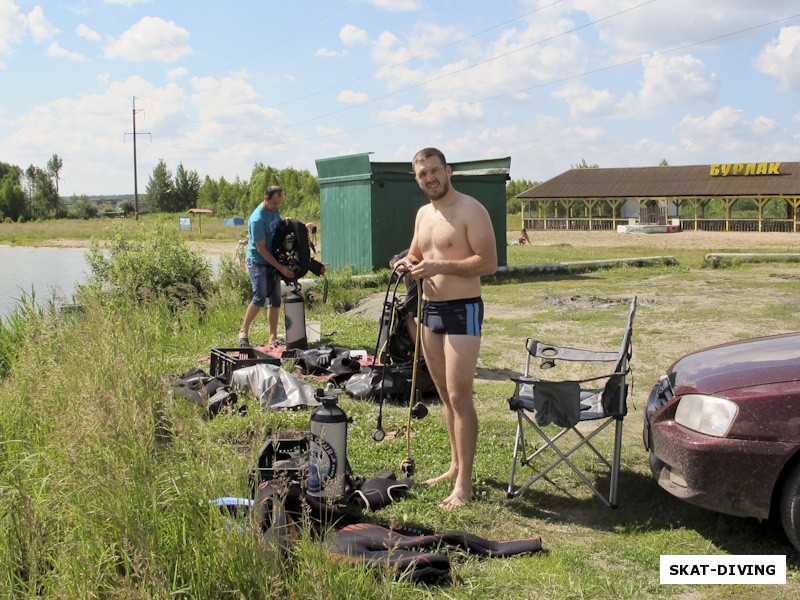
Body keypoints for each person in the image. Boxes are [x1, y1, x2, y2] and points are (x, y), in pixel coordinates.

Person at [398, 147, 497, 509]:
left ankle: (465, 486)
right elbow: (416, 254)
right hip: (430, 310)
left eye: (435, 171)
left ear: (448, 171)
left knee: (460, 396)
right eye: (423, 174)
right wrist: (405, 264)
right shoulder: (423, 214)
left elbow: (488, 263)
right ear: (418, 179)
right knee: (443, 395)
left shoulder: (471, 209)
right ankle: (454, 466)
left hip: (463, 309)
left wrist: (442, 268)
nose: (430, 179)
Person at [237, 186, 295, 347]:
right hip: (258, 262)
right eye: (274, 203)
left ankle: (273, 337)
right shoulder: (257, 219)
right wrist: (281, 268)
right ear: (266, 199)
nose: (277, 207)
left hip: (272, 260)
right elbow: (261, 249)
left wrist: (286, 222)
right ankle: (243, 331)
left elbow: (277, 228)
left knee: (275, 299)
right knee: (259, 297)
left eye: (279, 204)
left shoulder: (274, 211)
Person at [389, 249, 419, 346]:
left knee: (407, 315)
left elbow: (408, 282)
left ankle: (421, 354)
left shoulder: (402, 263)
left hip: (418, 276)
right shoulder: (408, 252)